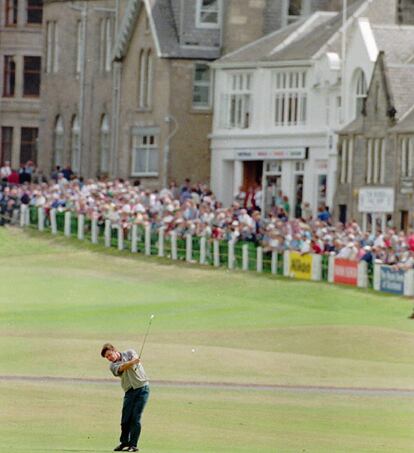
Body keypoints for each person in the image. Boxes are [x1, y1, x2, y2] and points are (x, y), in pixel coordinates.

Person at [101, 343, 150, 452]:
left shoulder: (129, 352)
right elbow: (123, 367)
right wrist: (133, 362)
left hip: (142, 389)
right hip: (129, 392)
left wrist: (134, 360)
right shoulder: (112, 366)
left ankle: (133, 445)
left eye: (109, 354)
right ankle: (124, 443)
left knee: (135, 418)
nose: (109, 358)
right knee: (125, 419)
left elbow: (135, 358)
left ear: (114, 350)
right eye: (107, 357)